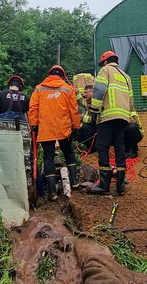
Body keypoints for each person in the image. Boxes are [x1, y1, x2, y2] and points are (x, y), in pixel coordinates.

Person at [84, 51, 135, 196]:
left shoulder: (105, 70)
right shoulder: (126, 76)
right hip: (123, 117)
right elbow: (131, 100)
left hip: (107, 116)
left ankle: (104, 185)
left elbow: (99, 90)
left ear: (105, 62)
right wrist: (128, 115)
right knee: (120, 148)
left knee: (102, 147)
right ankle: (120, 186)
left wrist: (94, 108)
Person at [28, 65, 82, 199]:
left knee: (48, 157)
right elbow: (73, 110)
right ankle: (74, 182)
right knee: (68, 151)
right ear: (62, 76)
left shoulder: (39, 89)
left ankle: (52, 193)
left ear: (49, 75)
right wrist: (76, 127)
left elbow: (33, 107)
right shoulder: (68, 89)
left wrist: (33, 125)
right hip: (63, 128)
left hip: (46, 129)